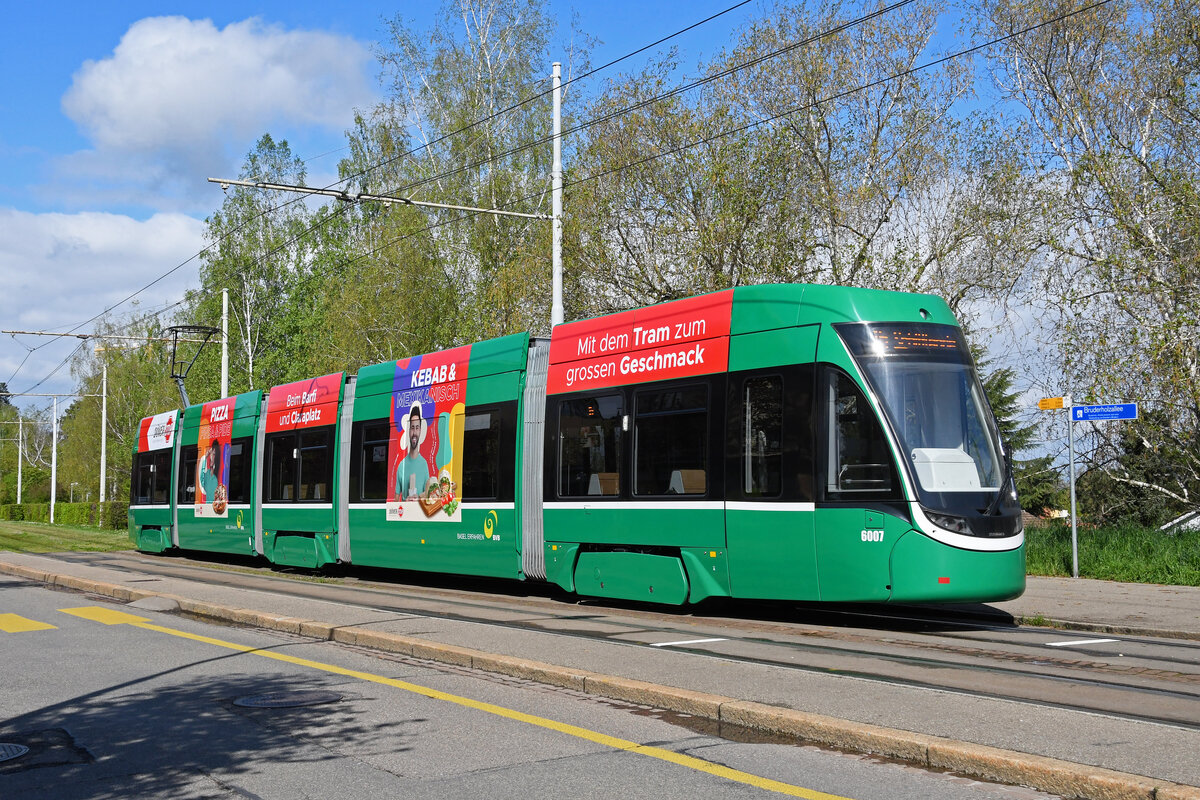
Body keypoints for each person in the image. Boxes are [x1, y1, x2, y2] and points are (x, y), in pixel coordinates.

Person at [394, 405, 430, 500]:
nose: (414, 432)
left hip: (419, 514)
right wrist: (405, 503)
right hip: (405, 514)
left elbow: (428, 497)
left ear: (420, 431)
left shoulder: (424, 464)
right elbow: (395, 501)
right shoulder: (401, 466)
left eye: (417, 428)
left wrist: (418, 499)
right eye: (412, 427)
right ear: (409, 431)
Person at [197, 439, 221, 505]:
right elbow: (201, 477)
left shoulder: (218, 477)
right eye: (211, 454)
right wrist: (206, 456)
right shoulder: (207, 474)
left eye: (214, 455)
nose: (212, 458)